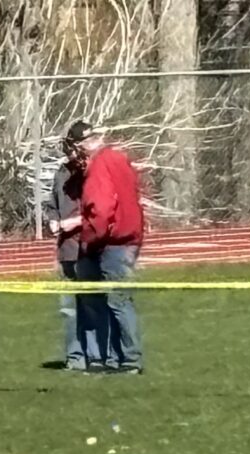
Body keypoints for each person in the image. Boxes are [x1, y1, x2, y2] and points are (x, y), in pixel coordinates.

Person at [68, 120, 144, 374]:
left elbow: (100, 210)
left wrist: (90, 240)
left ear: (82, 146)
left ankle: (130, 359)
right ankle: (116, 358)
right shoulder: (119, 159)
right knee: (118, 301)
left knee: (118, 303)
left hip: (113, 242)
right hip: (129, 238)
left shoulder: (99, 166)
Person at [49, 147, 89, 371]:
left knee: (92, 306)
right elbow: (52, 204)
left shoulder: (90, 173)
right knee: (69, 309)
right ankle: (74, 357)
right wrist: (53, 220)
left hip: (88, 248)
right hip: (66, 250)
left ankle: (97, 355)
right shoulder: (61, 173)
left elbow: (99, 211)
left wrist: (75, 222)